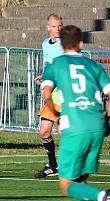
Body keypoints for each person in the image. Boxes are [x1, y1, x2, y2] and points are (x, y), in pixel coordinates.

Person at [41, 25, 110, 201]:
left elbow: (47, 93)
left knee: (66, 186)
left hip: (74, 128)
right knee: (81, 181)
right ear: (81, 43)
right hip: (96, 126)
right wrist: (105, 119)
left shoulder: (56, 64)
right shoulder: (93, 65)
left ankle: (101, 196)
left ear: (61, 44)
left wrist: (57, 115)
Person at [34, 14, 64, 179]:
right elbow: (49, 66)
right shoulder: (46, 43)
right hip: (52, 94)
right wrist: (43, 77)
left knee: (63, 131)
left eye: (60, 26)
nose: (58, 29)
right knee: (44, 132)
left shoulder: (67, 43)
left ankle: (72, 165)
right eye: (54, 26)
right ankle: (53, 166)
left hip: (65, 93)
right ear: (48, 27)